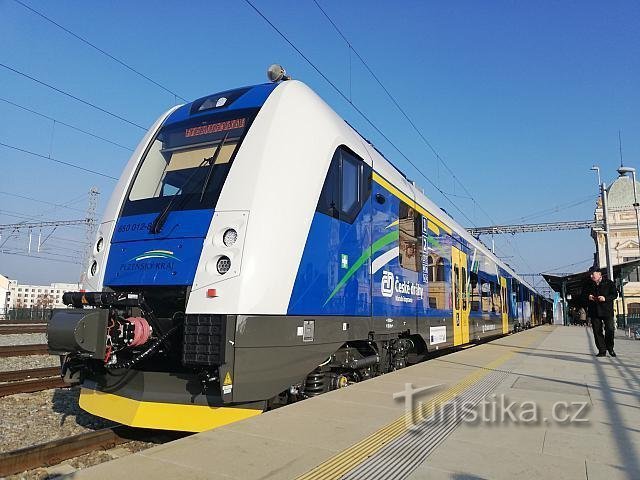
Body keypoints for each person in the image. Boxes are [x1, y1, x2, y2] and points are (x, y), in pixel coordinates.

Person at [582, 268, 618, 357]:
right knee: (597, 331)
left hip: (607, 310)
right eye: (590, 275)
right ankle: (602, 350)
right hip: (594, 311)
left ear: (599, 274)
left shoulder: (609, 283)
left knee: (610, 329)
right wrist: (588, 296)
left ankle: (610, 348)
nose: (591, 276)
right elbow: (582, 295)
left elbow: (614, 294)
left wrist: (605, 298)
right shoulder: (588, 284)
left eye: (592, 274)